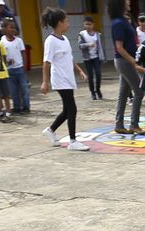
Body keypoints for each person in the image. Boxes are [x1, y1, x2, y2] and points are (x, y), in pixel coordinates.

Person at [40, 7, 89, 150]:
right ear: (60, 22)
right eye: (66, 20)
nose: (68, 23)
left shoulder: (65, 39)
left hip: (68, 79)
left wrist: (79, 71)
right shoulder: (51, 41)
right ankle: (73, 141)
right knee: (72, 109)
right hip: (60, 79)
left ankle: (50, 130)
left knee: (67, 110)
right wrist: (44, 81)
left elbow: (70, 58)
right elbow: (46, 62)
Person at [109, 0, 144, 134]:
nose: (129, 2)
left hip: (124, 61)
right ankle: (134, 124)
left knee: (123, 93)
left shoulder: (123, 20)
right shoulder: (118, 23)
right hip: (124, 61)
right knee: (139, 92)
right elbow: (119, 48)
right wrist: (134, 63)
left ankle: (119, 124)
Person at [0, 17, 29, 115]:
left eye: (14, 28)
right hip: (9, 69)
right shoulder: (2, 42)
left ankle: (26, 106)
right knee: (13, 90)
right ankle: (17, 107)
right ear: (4, 29)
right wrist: (6, 62)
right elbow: (2, 56)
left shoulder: (19, 41)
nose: (13, 30)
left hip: (19, 68)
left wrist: (24, 65)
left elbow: (23, 53)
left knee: (24, 88)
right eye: (10, 27)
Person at [78, 15, 102, 101]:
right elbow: (80, 46)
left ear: (93, 25)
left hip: (96, 57)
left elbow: (100, 47)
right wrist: (88, 45)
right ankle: (92, 92)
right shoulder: (82, 34)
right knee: (90, 76)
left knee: (98, 74)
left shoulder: (97, 34)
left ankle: (98, 89)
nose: (87, 26)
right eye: (86, 24)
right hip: (87, 59)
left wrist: (102, 57)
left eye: (89, 24)